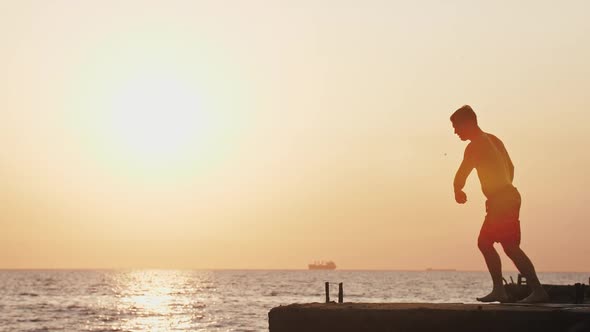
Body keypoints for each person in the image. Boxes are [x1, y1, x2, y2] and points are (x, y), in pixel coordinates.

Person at [451, 105, 549, 303]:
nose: (455, 132)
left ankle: (536, 291)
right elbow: (511, 167)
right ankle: (501, 290)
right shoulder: (494, 139)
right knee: (493, 244)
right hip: (506, 197)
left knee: (505, 246)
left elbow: (463, 172)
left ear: (467, 123)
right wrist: (503, 188)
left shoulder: (475, 145)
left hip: (503, 200)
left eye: (456, 126)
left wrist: (457, 189)